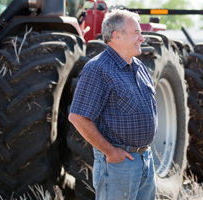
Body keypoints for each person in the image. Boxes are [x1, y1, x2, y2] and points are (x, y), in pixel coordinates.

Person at [68, 9, 157, 200]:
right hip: (119, 164)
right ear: (116, 35)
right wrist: (111, 152)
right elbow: (78, 117)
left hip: (145, 160)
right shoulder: (98, 69)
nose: (142, 38)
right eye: (136, 33)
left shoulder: (138, 66)